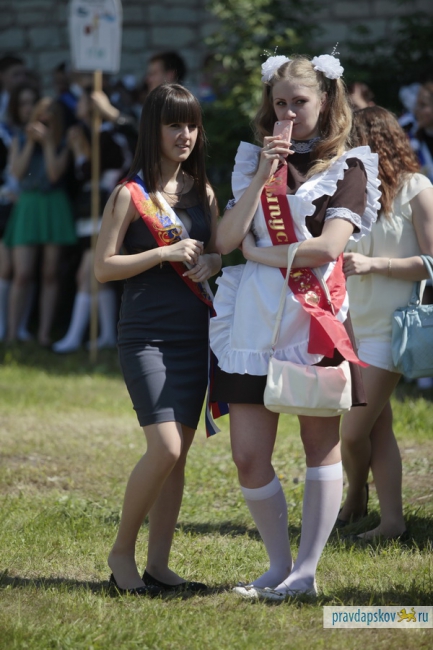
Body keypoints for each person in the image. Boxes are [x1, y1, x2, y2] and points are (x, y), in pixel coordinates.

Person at [209, 53, 380, 600]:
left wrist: (261, 255)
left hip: (313, 320)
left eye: (299, 102)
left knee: (318, 446)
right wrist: (263, 174)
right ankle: (277, 566)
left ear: (325, 101)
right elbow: (225, 239)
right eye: (279, 103)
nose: (288, 113)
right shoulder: (253, 161)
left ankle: (306, 573)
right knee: (247, 455)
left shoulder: (350, 167)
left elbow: (328, 248)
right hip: (254, 321)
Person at [94, 83, 221, 594]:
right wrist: (161, 254)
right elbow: (103, 268)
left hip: (195, 334)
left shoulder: (203, 192)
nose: (185, 134)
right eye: (174, 124)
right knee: (164, 448)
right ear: (154, 129)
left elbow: (217, 253)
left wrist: (214, 261)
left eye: (191, 124)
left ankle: (159, 566)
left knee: (179, 456)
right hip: (146, 334)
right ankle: (120, 552)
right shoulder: (130, 194)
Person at [338, 107, 433, 540]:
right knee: (379, 426)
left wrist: (375, 264)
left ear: (373, 143)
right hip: (350, 324)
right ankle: (392, 521)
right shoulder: (353, 192)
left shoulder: (417, 189)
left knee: (352, 433)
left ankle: (356, 494)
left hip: (391, 329)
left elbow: (431, 262)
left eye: (349, 141)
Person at [52, 86, 132, 353]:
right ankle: (107, 335)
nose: (78, 104)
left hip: (106, 208)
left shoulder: (108, 135)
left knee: (87, 273)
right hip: (91, 211)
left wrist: (79, 150)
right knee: (94, 275)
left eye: (83, 100)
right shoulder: (93, 133)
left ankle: (75, 338)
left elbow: (89, 171)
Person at [3, 94, 76, 346]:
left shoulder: (64, 142)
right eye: (40, 115)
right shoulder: (20, 138)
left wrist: (46, 144)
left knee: (50, 273)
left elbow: (55, 174)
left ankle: (44, 334)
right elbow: (17, 173)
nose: (44, 120)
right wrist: (30, 143)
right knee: (22, 272)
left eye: (50, 116)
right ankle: (12, 333)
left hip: (54, 204)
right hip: (28, 204)